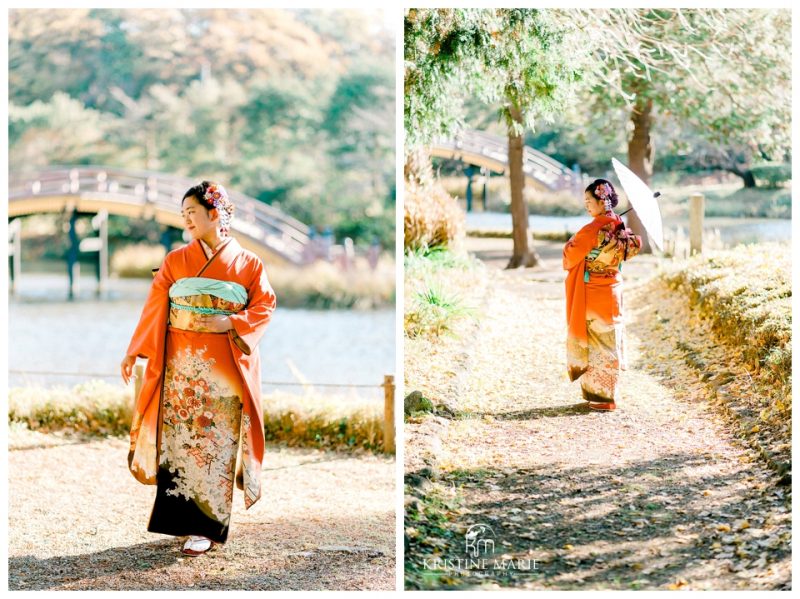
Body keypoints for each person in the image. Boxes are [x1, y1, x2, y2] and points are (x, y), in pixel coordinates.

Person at [120, 181, 277, 555]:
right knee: (179, 442)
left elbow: (265, 306)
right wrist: (134, 351)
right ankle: (179, 521)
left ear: (214, 214)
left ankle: (205, 527)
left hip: (224, 367)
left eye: (192, 213)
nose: (187, 220)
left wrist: (231, 324)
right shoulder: (176, 260)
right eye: (183, 214)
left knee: (213, 443)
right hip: (180, 365)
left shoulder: (249, 263)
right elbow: (156, 307)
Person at [562, 179, 641, 411]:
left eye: (589, 201)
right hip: (613, 289)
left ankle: (601, 397)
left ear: (601, 202)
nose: (587, 205)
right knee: (609, 339)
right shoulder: (620, 227)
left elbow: (570, 256)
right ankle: (604, 394)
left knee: (596, 341)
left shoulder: (592, 229)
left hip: (593, 292)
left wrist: (570, 243)